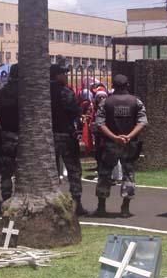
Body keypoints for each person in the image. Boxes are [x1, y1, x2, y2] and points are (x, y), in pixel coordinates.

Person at [94, 75, 147, 218]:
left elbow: (99, 124)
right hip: (129, 144)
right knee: (128, 174)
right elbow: (142, 122)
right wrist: (129, 136)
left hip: (111, 144)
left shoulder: (105, 103)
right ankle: (125, 207)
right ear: (127, 85)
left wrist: (114, 137)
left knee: (104, 173)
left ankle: (101, 206)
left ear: (114, 85)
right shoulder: (136, 101)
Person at [50, 63, 87, 215]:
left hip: (48, 136)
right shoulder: (65, 92)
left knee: (51, 172)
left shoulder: (43, 92)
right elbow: (75, 111)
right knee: (73, 171)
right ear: (57, 75)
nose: (65, 76)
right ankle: (76, 204)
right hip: (65, 134)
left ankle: (51, 203)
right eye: (63, 73)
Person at [0, 64, 19, 201]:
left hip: (6, 133)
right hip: (22, 134)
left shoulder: (2, 91)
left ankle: (6, 198)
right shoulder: (25, 91)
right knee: (24, 169)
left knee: (6, 172)